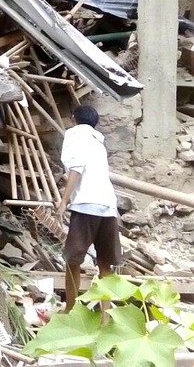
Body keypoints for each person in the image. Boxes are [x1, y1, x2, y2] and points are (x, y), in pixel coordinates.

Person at [57, 105, 121, 312]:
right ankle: (106, 315)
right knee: (105, 264)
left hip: (86, 206)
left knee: (72, 260)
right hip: (108, 206)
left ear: (74, 118)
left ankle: (70, 309)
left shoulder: (75, 135)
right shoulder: (98, 142)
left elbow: (76, 168)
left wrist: (64, 200)